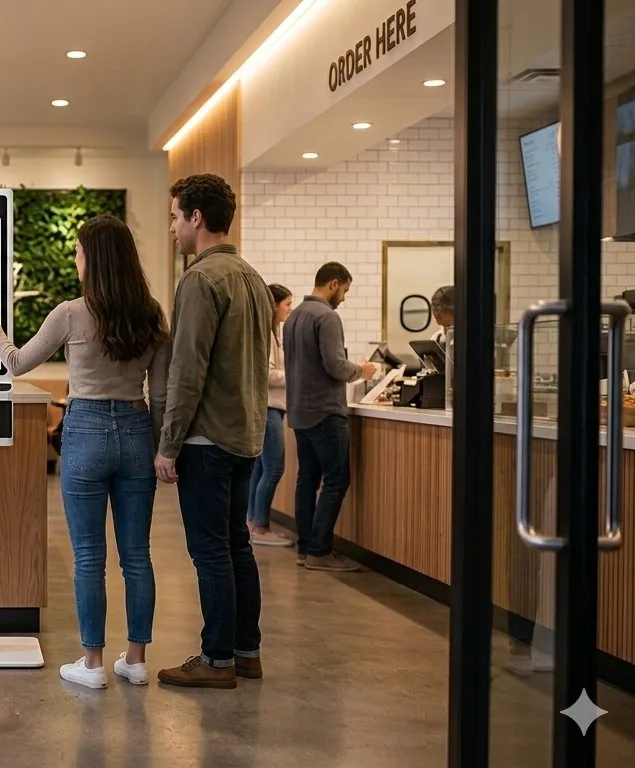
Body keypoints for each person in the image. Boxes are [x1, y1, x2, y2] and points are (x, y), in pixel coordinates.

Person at [0, 214, 169, 690]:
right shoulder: (152, 313)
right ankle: (136, 660)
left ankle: (92, 663)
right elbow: (160, 393)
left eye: (78, 251)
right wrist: (162, 447)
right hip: (137, 430)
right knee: (137, 555)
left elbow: (17, 362)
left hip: (86, 432)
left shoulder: (71, 313)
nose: (75, 259)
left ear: (92, 258)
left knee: (89, 556)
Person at [153, 173, 272, 690]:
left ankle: (216, 659)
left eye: (175, 217)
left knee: (210, 552)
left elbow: (187, 370)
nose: (172, 228)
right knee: (237, 546)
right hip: (246, 435)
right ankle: (246, 653)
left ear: (196, 217)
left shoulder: (200, 280)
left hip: (207, 440)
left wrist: (168, 444)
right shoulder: (252, 278)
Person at [283, 262, 378, 572]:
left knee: (307, 480)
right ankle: (320, 551)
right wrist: (361, 371)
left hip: (299, 411)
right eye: (345, 290)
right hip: (325, 412)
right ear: (334, 283)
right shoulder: (327, 317)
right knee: (336, 479)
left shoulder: (293, 317)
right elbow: (336, 366)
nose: (344, 298)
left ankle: (304, 548)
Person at [248, 284, 294, 547]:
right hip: (268, 408)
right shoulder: (266, 333)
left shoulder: (272, 332)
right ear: (274, 305)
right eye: (287, 304)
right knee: (274, 468)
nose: (289, 309)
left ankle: (252, 522)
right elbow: (265, 374)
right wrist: (296, 376)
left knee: (260, 468)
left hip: (268, 407)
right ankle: (261, 527)